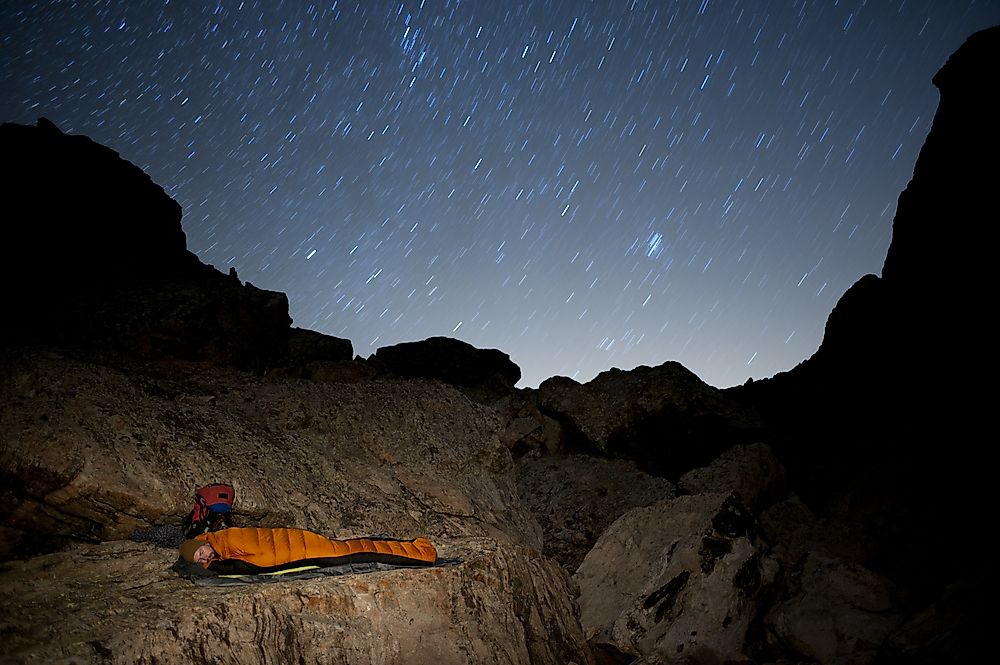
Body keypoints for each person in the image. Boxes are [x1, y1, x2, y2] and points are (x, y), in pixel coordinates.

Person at [177, 526, 438, 574]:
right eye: (201, 559)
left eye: (202, 554)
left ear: (202, 543)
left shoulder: (227, 540)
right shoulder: (220, 541)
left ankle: (422, 553)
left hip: (302, 548)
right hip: (298, 541)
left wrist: (212, 567)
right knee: (353, 547)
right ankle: (413, 546)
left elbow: (255, 564)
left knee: (358, 553)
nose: (205, 558)